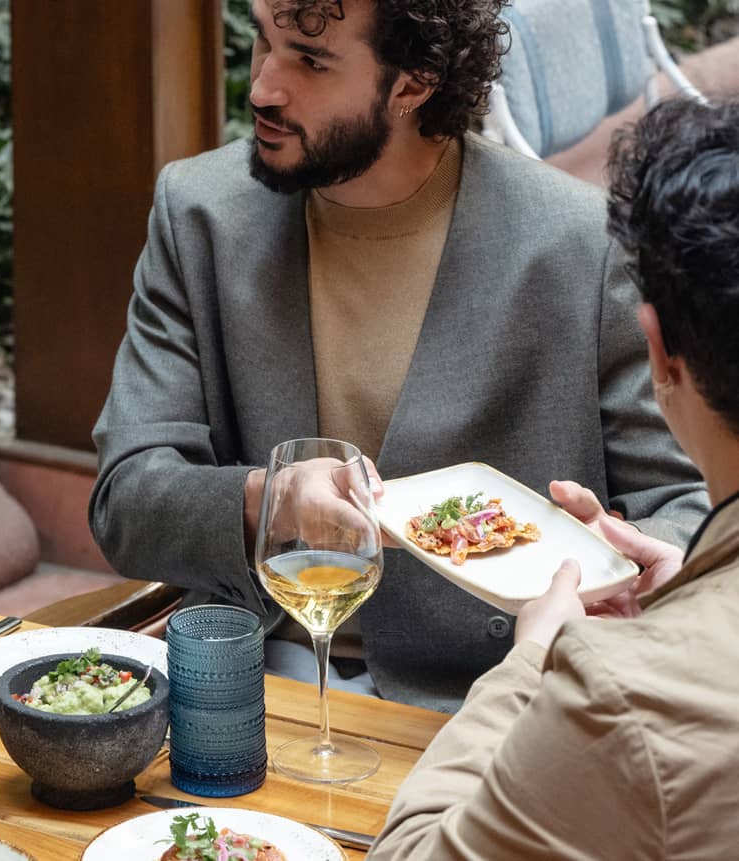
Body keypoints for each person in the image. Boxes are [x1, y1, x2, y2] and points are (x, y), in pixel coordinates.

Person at [89, 0, 709, 711]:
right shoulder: (200, 212)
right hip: (252, 686)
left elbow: (682, 504)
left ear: (414, 81)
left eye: (310, 60)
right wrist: (264, 500)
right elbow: (125, 498)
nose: (263, 85)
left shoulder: (579, 245)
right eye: (263, 42)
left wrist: (611, 563)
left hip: (495, 698)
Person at [371, 96, 739, 860]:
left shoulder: (619, 692)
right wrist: (687, 588)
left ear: (658, 347)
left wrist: (534, 659)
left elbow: (413, 851)